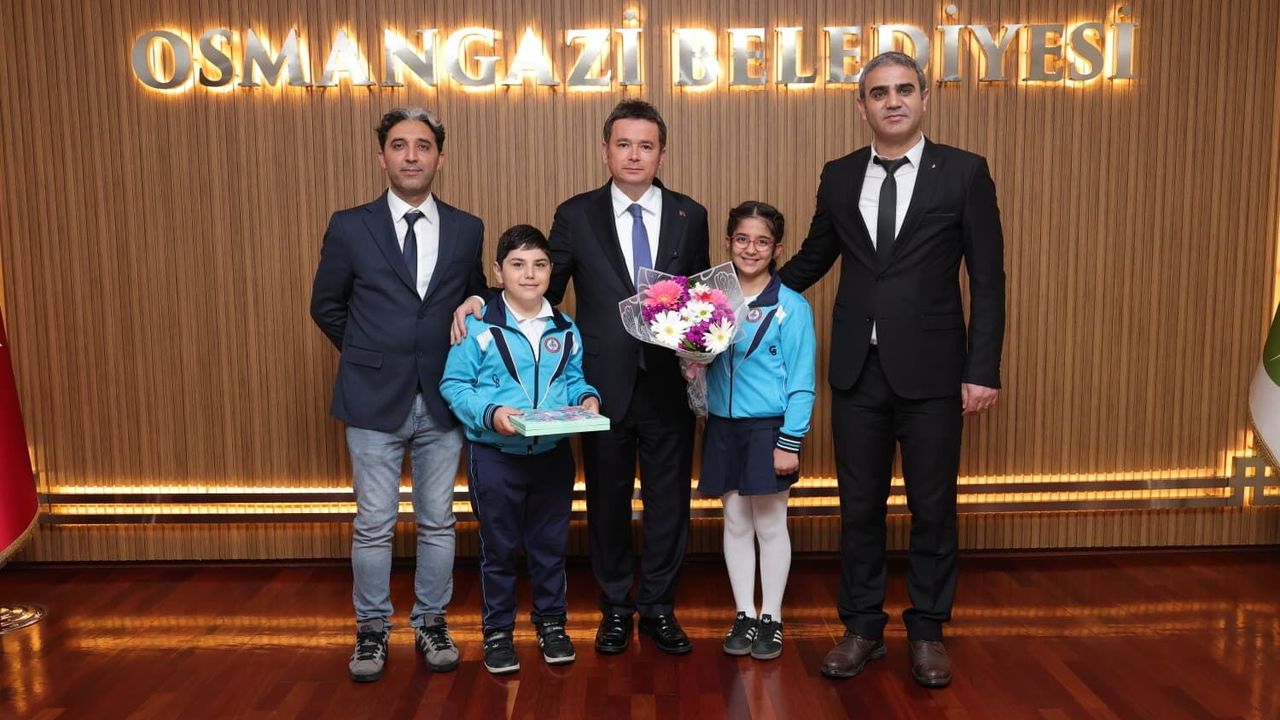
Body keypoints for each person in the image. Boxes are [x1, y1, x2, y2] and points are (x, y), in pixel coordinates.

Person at [776, 52, 1006, 688]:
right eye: (879, 92)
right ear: (862, 107)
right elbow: (814, 258)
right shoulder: (839, 174)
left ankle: (928, 631)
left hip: (935, 372)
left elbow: (988, 279)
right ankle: (862, 629)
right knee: (859, 508)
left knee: (932, 508)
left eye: (905, 89)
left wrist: (982, 368)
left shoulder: (964, 172)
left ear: (924, 98)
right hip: (858, 371)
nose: (893, 101)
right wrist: (741, 298)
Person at [453, 100, 710, 654]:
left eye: (646, 145)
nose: (634, 155)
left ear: (662, 153)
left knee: (670, 504)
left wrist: (707, 338)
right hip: (597, 390)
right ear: (605, 151)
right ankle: (616, 608)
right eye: (624, 144)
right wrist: (481, 299)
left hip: (668, 385)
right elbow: (540, 285)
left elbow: (699, 299)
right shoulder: (575, 214)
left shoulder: (690, 214)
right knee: (606, 502)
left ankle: (659, 608)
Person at [310, 107, 486, 683]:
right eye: (400, 145)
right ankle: (371, 629)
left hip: (443, 397)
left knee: (438, 521)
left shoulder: (467, 228)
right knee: (374, 522)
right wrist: (369, 353)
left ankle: (431, 621)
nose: (412, 155)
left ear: (440, 157)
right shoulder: (349, 225)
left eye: (424, 145)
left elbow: (475, 297)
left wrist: (477, 302)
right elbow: (326, 305)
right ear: (382, 155)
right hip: (371, 397)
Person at [440, 224, 601, 675]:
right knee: (500, 548)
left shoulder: (565, 327)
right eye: (518, 265)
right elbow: (454, 384)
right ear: (498, 271)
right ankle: (497, 631)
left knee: (550, 546)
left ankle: (551, 624)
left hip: (552, 457)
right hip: (495, 457)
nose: (529, 274)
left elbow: (574, 379)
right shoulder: (477, 326)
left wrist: (587, 399)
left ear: (551, 271)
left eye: (539, 265)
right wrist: (490, 413)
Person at [700, 201, 815, 661]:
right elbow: (699, 359)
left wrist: (790, 441)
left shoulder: (791, 306)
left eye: (762, 241)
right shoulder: (710, 299)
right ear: (728, 242)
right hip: (722, 427)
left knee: (769, 525)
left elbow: (802, 381)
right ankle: (744, 613)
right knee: (734, 522)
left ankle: (773, 617)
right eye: (742, 239)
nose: (751, 249)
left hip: (769, 429)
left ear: (777, 248)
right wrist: (690, 362)